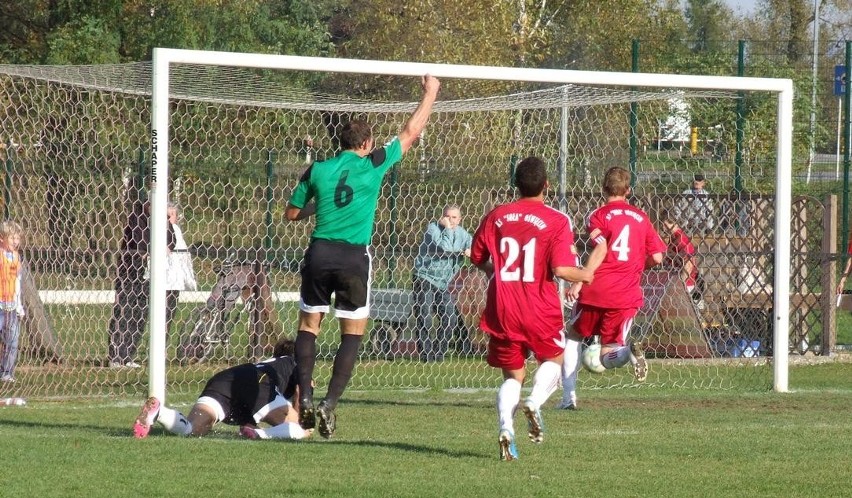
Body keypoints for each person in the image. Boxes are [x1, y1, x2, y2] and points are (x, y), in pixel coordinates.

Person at [284, 74, 441, 438]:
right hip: (354, 258)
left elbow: (291, 213)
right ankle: (330, 404)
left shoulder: (318, 169)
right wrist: (430, 92)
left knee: (309, 327)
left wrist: (316, 207)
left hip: (319, 252)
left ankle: (304, 395)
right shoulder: (374, 163)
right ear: (368, 143)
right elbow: (410, 132)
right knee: (352, 335)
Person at [470, 156, 595, 461]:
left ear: (516, 184)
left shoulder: (497, 216)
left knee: (512, 378)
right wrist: (586, 274)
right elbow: (562, 269)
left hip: (503, 306)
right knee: (554, 358)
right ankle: (535, 403)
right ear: (546, 185)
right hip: (539, 307)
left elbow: (476, 257)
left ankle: (505, 429)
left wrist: (493, 270)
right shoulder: (556, 220)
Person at [559, 166, 666, 411]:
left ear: (603, 188)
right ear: (628, 190)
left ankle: (569, 398)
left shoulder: (598, 216)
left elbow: (602, 248)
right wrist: (639, 265)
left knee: (573, 335)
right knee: (609, 353)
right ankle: (628, 352)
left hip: (597, 289)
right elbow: (658, 257)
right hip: (626, 294)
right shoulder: (642, 217)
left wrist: (579, 280)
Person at [133, 338, 312, 440]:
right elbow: (300, 393)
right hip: (259, 382)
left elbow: (249, 401)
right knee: (302, 428)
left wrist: (248, 421)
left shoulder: (270, 363)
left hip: (226, 379)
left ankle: (159, 413)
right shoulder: (295, 363)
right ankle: (259, 435)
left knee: (192, 430)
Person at [107, 198, 174, 368]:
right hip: (130, 272)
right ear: (148, 204)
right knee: (124, 311)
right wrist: (154, 249)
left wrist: (166, 247)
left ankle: (128, 355)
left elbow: (171, 239)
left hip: (150, 273)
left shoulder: (162, 219)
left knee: (140, 313)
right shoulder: (137, 218)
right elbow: (139, 242)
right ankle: (116, 357)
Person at [412, 204, 473, 362]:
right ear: (442, 216)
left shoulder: (462, 234)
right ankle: (426, 356)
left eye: (454, 217)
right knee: (425, 317)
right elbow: (445, 247)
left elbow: (474, 248)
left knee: (449, 317)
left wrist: (470, 251)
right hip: (425, 277)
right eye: (447, 216)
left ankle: (438, 355)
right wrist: (448, 229)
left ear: (460, 219)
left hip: (443, 283)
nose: (450, 220)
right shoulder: (432, 228)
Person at [660, 210, 704, 309]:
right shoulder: (674, 237)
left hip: (686, 285)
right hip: (677, 283)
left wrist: (680, 286)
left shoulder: (680, 239)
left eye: (664, 223)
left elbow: (688, 265)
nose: (662, 227)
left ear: (672, 222)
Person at [165, 202, 196, 337]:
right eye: (167, 214)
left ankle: (163, 343)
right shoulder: (161, 229)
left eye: (172, 215)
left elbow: (184, 257)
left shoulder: (176, 230)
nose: (169, 217)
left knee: (169, 312)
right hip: (164, 278)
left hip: (175, 279)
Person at [0, 221, 25, 383]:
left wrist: (19, 305)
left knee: (13, 340)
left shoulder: (16, 256)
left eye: (18, 238)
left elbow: (17, 280)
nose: (16, 241)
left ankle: (6, 373)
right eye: (12, 238)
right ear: (2, 238)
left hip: (10, 305)